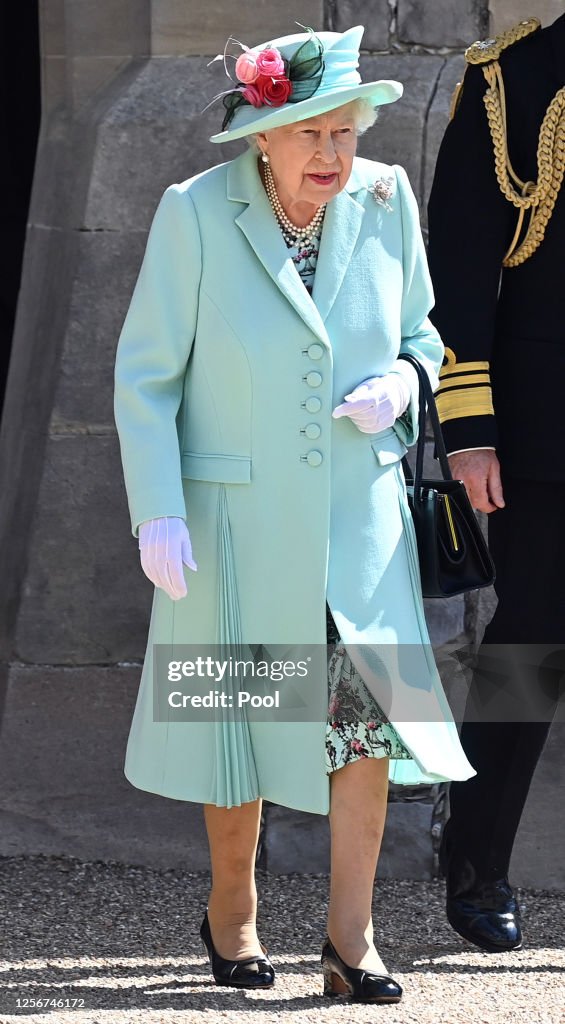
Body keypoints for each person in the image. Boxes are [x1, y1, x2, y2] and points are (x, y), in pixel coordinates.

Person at [113, 23, 475, 1004]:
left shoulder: (384, 200)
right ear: (259, 136)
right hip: (229, 532)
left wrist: (403, 383)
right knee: (236, 731)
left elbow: (423, 337)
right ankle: (232, 911)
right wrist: (158, 513)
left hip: (358, 530)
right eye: (310, 133)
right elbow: (145, 379)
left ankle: (348, 941)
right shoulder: (194, 214)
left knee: (361, 739)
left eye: (344, 131)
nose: (331, 154)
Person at [427, 13, 565, 952]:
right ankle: (475, 864)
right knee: (533, 645)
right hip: (544, 416)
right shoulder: (511, 79)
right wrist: (468, 429)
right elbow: (464, 263)